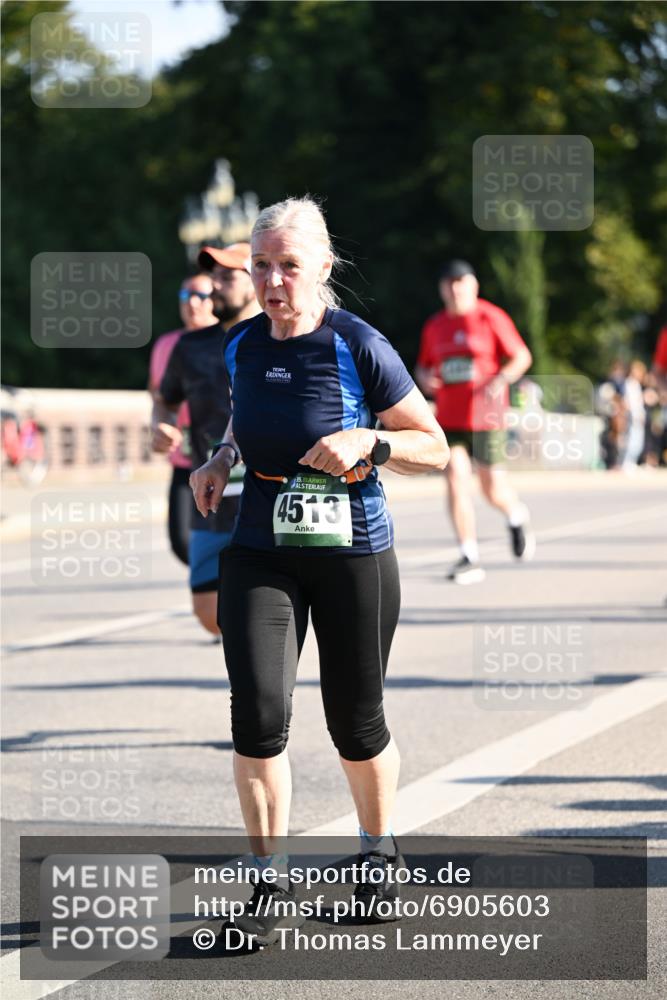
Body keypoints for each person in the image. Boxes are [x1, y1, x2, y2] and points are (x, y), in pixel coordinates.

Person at [189, 196, 449, 944]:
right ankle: (267, 882)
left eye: (288, 267)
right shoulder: (242, 345)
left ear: (323, 270)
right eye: (261, 265)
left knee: (354, 724)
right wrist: (221, 456)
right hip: (259, 547)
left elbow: (433, 444)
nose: (272, 282)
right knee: (258, 715)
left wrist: (370, 440)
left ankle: (377, 854)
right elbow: (246, 417)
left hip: (351, 555)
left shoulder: (358, 344)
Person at [156, 244, 260, 636]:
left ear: (257, 281)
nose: (215, 286)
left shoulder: (278, 337)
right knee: (206, 611)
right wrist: (161, 424)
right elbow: (164, 400)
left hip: (266, 495)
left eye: (227, 277)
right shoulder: (191, 346)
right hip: (212, 495)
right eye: (213, 277)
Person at [415, 259, 535, 584]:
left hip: (487, 416)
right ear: (442, 289)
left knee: (491, 487)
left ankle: (515, 514)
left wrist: (501, 379)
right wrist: (426, 378)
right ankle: (469, 555)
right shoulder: (434, 326)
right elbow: (423, 367)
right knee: (455, 477)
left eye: (462, 282)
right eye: (449, 283)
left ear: (473, 286)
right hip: (449, 418)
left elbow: (522, 356)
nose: (455, 289)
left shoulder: (490, 317)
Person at [149, 272, 216, 565]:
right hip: (184, 459)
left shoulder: (233, 337)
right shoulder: (167, 344)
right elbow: (158, 398)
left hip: (222, 457)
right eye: (185, 296)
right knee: (182, 543)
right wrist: (158, 427)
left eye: (201, 295)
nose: (192, 303)